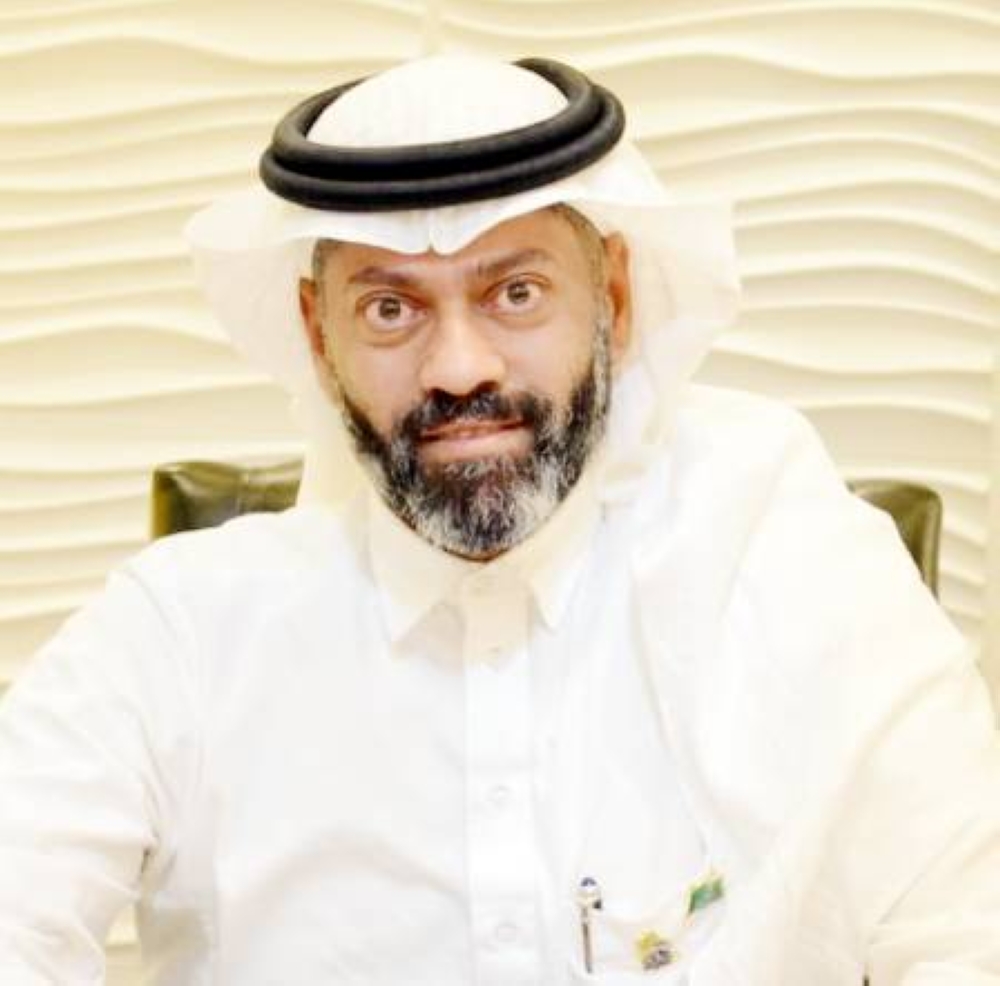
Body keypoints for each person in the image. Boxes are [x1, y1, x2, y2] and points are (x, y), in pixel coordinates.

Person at [1, 54, 998, 986]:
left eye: (516, 292)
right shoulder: (181, 630)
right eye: (390, 309)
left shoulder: (794, 567)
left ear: (613, 297)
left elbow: (966, 929)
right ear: (316, 333)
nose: (457, 368)